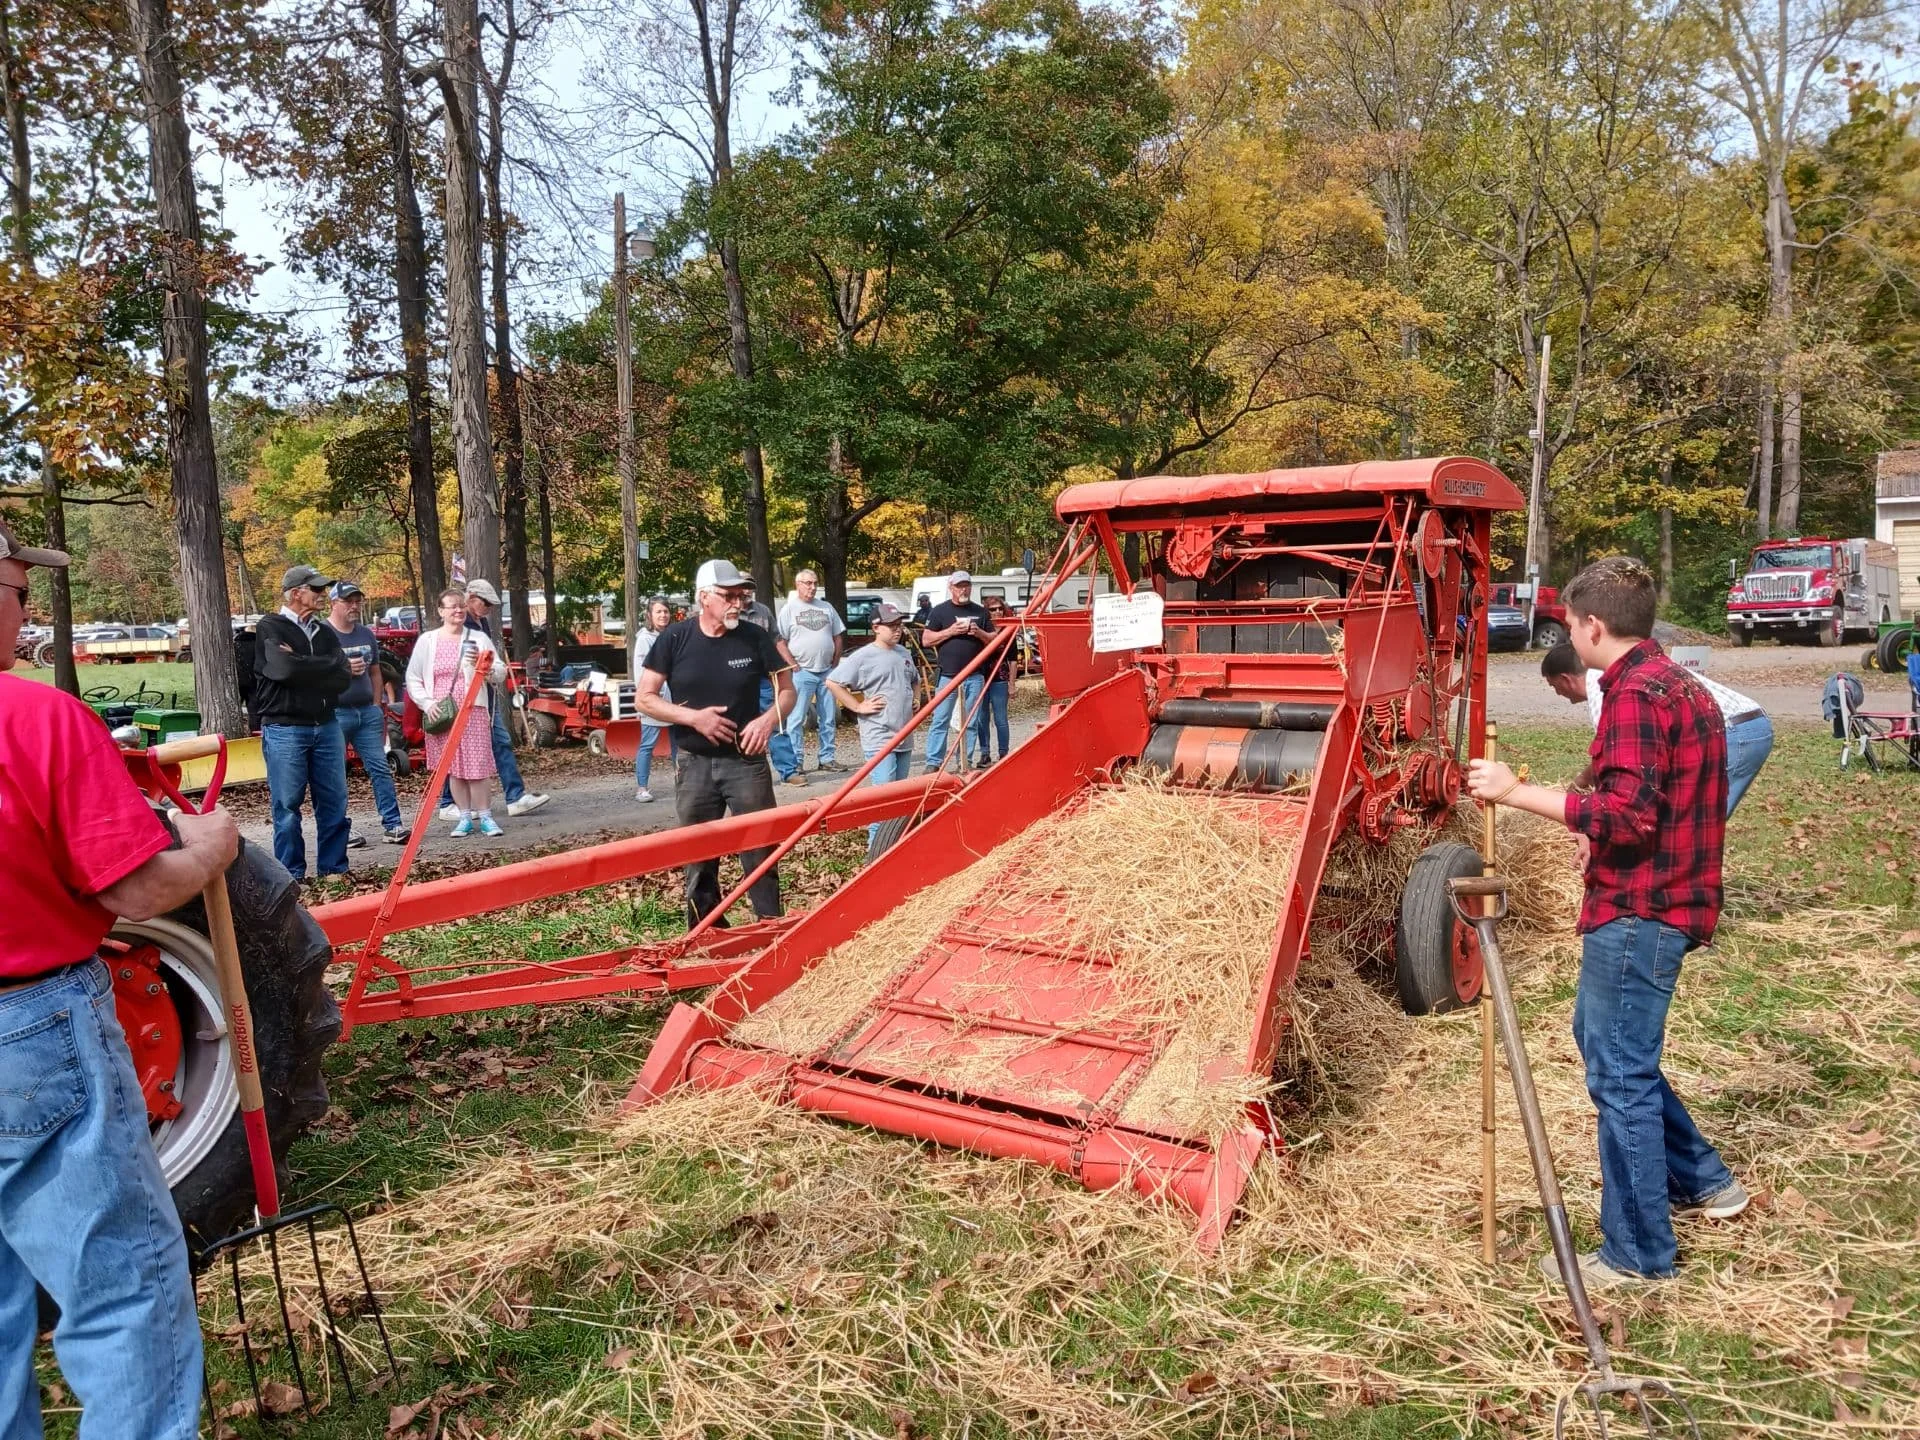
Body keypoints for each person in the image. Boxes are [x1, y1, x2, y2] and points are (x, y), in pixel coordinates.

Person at [1, 518, 238, 1439]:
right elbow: (139, 883)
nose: (24, 624)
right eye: (21, 597)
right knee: (122, 1288)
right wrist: (212, 846)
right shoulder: (37, 717)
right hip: (28, 1028)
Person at [1467, 556, 1746, 1289]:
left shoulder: (1633, 697)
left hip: (1640, 910)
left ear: (1593, 626)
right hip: (1670, 899)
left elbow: (1627, 818)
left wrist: (1516, 792)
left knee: (1618, 1074)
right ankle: (1704, 1181)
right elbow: (1652, 798)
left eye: (1569, 626)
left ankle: (1638, 1254)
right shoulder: (1681, 683)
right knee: (1605, 1045)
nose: (1569, 637)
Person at [636, 559, 794, 926]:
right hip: (694, 765)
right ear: (704, 596)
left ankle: (770, 928)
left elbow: (787, 691)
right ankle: (707, 934)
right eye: (728, 595)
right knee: (699, 855)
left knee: (760, 850)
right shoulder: (674, 638)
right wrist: (694, 717)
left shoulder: (755, 636)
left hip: (747, 762)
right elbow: (645, 697)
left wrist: (768, 720)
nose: (737, 603)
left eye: (741, 595)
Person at [1540, 642, 1773, 816]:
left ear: (1565, 679)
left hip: (1733, 730)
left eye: (1553, 686)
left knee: (1696, 819)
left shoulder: (1601, 685)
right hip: (1740, 724)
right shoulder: (1612, 669)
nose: (1557, 693)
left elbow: (1612, 756)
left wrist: (1581, 789)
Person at [256, 564, 353, 879]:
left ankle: (334, 868)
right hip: (286, 729)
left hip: (326, 726)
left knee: (334, 800)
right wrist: (328, 665)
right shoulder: (270, 627)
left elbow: (342, 678)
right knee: (287, 806)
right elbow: (283, 670)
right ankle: (290, 875)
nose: (322, 594)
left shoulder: (323, 631)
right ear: (296, 593)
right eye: (316, 589)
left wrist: (305, 664)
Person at [407, 587, 504, 836]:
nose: (458, 610)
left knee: (477, 766)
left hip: (473, 709)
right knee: (454, 768)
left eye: (461, 605)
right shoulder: (427, 641)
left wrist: (485, 667)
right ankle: (463, 817)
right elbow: (413, 677)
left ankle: (485, 816)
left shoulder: (478, 638)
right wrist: (428, 704)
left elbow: (500, 672)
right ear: (441, 611)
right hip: (442, 712)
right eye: (452, 606)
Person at [826, 603, 920, 852]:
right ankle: (874, 853)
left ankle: (894, 849)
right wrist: (858, 707)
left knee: (900, 801)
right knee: (883, 801)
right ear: (876, 627)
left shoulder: (904, 653)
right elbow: (833, 682)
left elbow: (915, 680)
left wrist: (916, 698)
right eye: (891, 626)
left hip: (904, 737)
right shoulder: (863, 657)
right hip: (879, 737)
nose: (897, 630)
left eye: (899, 625)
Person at [326, 581, 408, 843]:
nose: (354, 606)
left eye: (357, 601)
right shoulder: (324, 635)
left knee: (380, 768)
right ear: (333, 603)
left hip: (366, 713)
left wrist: (376, 703)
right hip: (336, 713)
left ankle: (393, 825)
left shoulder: (366, 634)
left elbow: (375, 670)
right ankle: (342, 830)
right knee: (335, 773)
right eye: (348, 601)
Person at [460, 579, 549, 818]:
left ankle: (514, 796)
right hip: (467, 698)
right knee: (466, 750)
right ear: (470, 598)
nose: (489, 607)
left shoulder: (483, 623)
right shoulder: (462, 623)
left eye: (491, 604)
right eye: (485, 602)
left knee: (500, 743)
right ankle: (454, 803)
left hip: (485, 696)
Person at [922, 570, 992, 771]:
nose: (963, 589)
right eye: (959, 586)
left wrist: (979, 632)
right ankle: (933, 763)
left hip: (974, 675)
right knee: (940, 718)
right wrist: (950, 631)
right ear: (950, 588)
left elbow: (994, 640)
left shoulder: (981, 612)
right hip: (948, 675)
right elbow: (926, 640)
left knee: (970, 720)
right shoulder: (939, 611)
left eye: (966, 585)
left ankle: (965, 761)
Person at [778, 569, 847, 775]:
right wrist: (792, 664)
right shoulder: (789, 610)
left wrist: (835, 660)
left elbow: (837, 636)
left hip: (826, 671)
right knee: (796, 718)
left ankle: (827, 758)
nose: (812, 587)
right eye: (807, 583)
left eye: (815, 583)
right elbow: (780, 641)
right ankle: (796, 761)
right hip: (802, 672)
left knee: (828, 718)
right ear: (797, 584)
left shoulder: (826, 607)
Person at [743, 576, 803, 786]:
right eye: (743, 586)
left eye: (750, 587)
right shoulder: (727, 613)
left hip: (763, 676)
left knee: (775, 719)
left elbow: (777, 640)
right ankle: (744, 775)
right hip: (737, 678)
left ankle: (788, 771)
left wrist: (788, 664)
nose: (746, 591)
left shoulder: (763, 610)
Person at [631, 595, 677, 803]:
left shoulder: (675, 635)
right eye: (659, 611)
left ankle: (682, 781)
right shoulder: (644, 639)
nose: (663, 615)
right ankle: (642, 787)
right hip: (655, 699)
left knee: (679, 743)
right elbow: (640, 673)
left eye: (666, 611)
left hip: (676, 699)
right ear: (650, 615)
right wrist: (649, 695)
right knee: (648, 744)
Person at [974, 594, 1015, 762]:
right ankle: (985, 753)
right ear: (987, 611)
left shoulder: (1008, 630)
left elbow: (1013, 659)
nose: (997, 611)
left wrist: (1012, 684)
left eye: (1000, 608)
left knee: (1000, 718)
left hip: (1000, 677)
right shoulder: (981, 629)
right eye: (993, 609)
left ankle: (1004, 752)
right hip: (981, 677)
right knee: (982, 718)